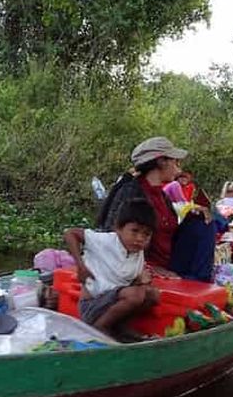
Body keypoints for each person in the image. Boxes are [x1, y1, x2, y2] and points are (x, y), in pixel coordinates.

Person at [64, 198, 159, 340]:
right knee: (136, 295)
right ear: (118, 228)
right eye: (134, 231)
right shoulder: (105, 241)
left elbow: (126, 285)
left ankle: (120, 327)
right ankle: (99, 329)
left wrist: (141, 281)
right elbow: (70, 233)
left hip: (111, 303)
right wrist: (81, 266)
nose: (140, 238)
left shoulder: (137, 253)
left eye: (146, 234)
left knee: (153, 294)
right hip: (92, 306)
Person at [97, 136, 187, 272]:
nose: (178, 169)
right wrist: (145, 269)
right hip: (140, 270)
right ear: (162, 162)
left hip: (167, 266)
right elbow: (114, 238)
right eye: (176, 162)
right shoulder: (132, 192)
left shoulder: (162, 196)